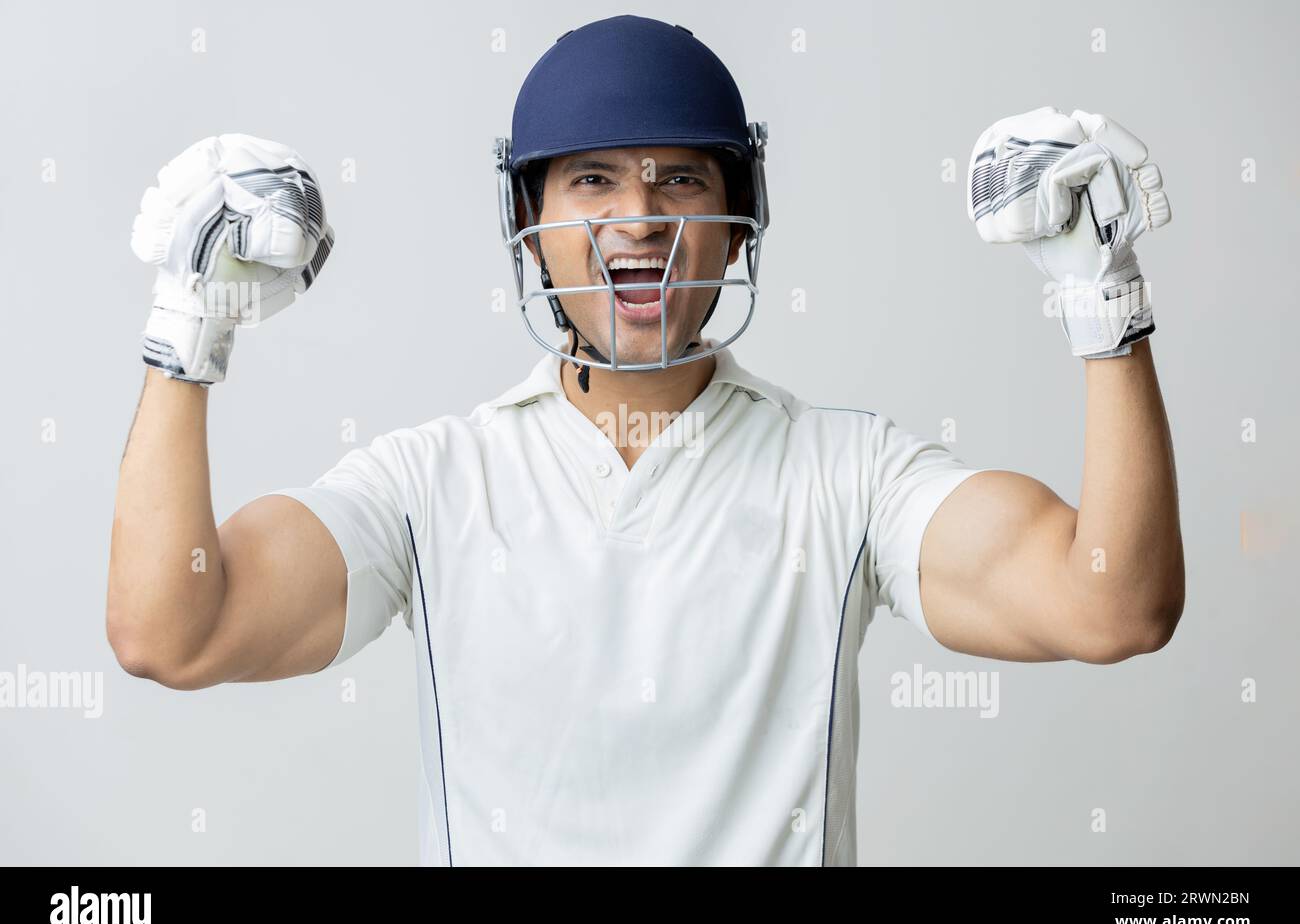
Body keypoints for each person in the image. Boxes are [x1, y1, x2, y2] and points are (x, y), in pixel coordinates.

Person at [107, 15, 1184, 866]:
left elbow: (1111, 603)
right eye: (593, 179)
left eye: (681, 178)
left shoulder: (849, 475)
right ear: (529, 221)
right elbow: (175, 633)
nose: (641, 218)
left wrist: (1104, 304)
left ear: (736, 216)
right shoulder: (429, 481)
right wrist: (185, 334)